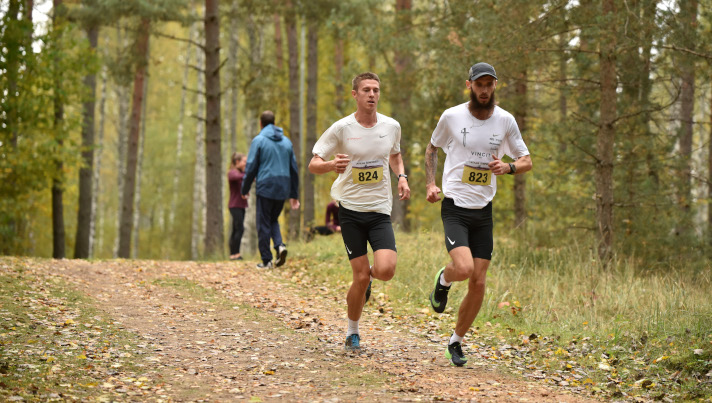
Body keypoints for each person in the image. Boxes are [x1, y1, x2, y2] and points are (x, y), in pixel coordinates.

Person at [424, 62, 532, 366]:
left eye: (489, 84)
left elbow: (526, 160)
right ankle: (444, 280)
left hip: (484, 210)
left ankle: (455, 342)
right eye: (479, 84)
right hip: (455, 206)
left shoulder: (505, 121)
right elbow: (431, 149)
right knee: (466, 267)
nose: (484, 90)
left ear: (495, 86)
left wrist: (507, 167)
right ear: (469, 85)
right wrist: (431, 184)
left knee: (479, 281)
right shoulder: (452, 116)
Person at [309, 72, 411, 351]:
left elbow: (395, 154)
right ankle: (352, 331)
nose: (372, 94)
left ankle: (365, 282)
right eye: (366, 90)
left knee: (386, 270)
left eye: (376, 90)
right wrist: (331, 165)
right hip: (351, 211)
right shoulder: (342, 128)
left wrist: (401, 176)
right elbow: (313, 163)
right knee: (361, 274)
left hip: (379, 210)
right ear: (355, 94)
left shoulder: (391, 126)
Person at [241, 110, 300, 269]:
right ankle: (280, 246)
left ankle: (266, 260)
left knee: (263, 222)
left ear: (261, 123)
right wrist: (294, 194)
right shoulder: (287, 142)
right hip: (283, 186)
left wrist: (244, 189)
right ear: (274, 123)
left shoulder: (258, 140)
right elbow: (294, 169)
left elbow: (251, 166)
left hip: (266, 185)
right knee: (273, 219)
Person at [228, 152, 248, 260]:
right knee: (240, 228)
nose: (246, 163)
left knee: (236, 229)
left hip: (241, 205)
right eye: (244, 161)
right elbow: (238, 177)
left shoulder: (242, 174)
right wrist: (249, 174)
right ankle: (235, 254)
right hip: (234, 205)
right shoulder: (232, 173)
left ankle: (234, 254)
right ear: (237, 162)